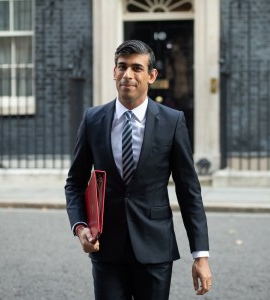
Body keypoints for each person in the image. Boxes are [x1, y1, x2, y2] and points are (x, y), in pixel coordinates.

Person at [65, 39, 212, 300]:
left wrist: (200, 256)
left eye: (137, 68)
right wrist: (80, 227)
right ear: (114, 72)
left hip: (155, 249)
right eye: (122, 67)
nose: (128, 75)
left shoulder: (172, 121)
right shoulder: (93, 119)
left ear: (152, 75)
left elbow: (189, 191)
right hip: (107, 249)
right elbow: (75, 183)